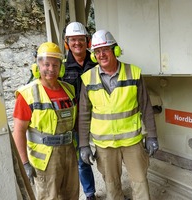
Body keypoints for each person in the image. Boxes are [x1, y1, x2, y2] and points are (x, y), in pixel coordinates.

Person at [78, 30, 159, 200]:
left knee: (140, 182)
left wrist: (152, 136)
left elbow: (146, 107)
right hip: (105, 144)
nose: (101, 55)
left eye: (105, 50)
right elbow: (84, 115)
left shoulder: (134, 73)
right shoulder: (87, 78)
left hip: (132, 141)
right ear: (93, 56)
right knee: (111, 184)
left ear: (115, 50)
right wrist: (84, 145)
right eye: (97, 52)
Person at [12, 42, 79, 200]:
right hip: (46, 159)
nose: (51, 69)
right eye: (46, 64)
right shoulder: (27, 94)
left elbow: (75, 123)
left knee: (72, 195)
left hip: (69, 152)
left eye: (55, 65)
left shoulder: (69, 90)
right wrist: (25, 163)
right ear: (38, 67)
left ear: (61, 68)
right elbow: (19, 131)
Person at [62, 21, 97, 200]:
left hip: (100, 117)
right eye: (73, 40)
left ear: (87, 41)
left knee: (106, 155)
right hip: (76, 121)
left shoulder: (97, 61)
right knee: (82, 158)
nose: (77, 43)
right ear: (67, 42)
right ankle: (90, 193)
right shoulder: (61, 67)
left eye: (81, 39)